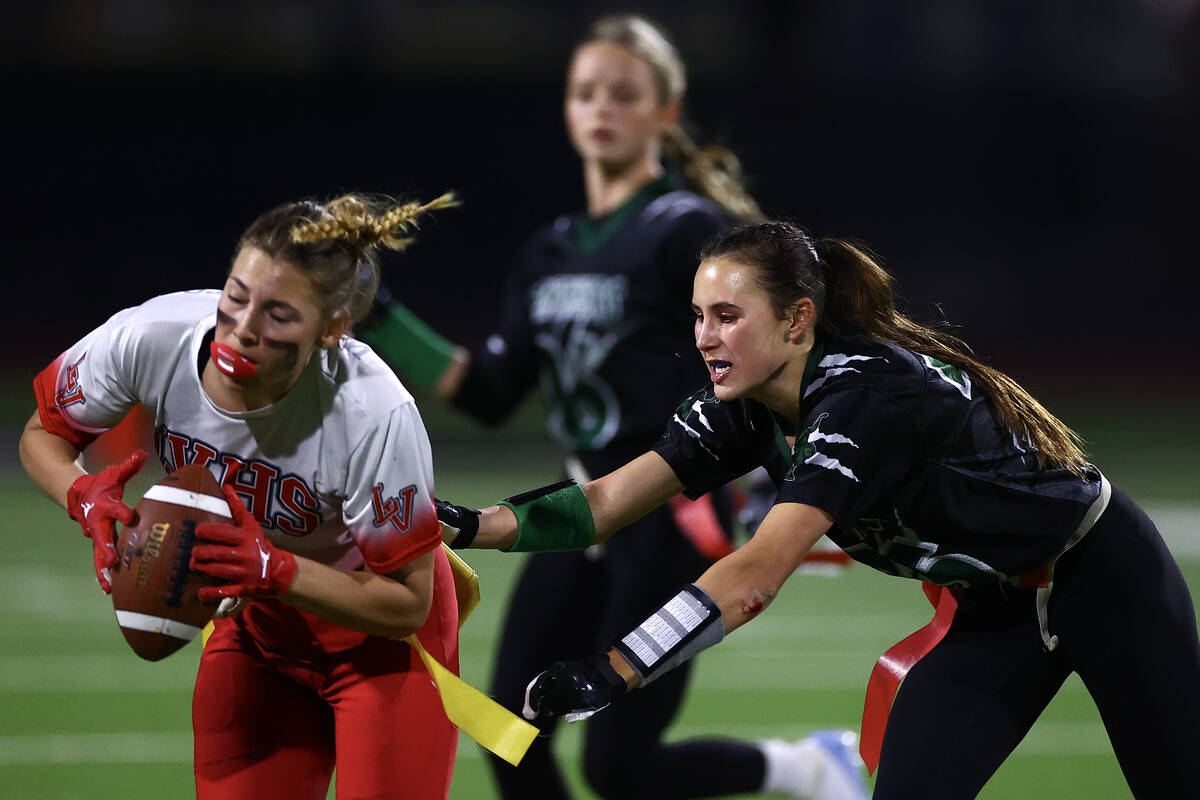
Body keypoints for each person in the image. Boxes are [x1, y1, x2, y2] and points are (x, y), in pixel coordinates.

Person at [437, 219, 1200, 798]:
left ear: (797, 320)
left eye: (728, 317)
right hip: (994, 610)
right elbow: (604, 500)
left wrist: (616, 668)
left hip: (1102, 577)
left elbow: (758, 572)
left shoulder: (863, 395)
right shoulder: (745, 399)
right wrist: (473, 524)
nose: (705, 337)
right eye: (699, 316)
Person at [356, 14, 864, 800]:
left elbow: (758, 358)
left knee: (616, 768)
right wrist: (377, 312)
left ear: (667, 110)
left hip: (667, 507)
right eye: (585, 92)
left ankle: (807, 769)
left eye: (624, 94)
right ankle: (805, 767)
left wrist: (772, 472)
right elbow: (491, 394)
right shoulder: (551, 247)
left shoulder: (687, 229)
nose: (601, 108)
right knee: (505, 728)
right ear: (566, 109)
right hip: (579, 506)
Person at [19, 193, 464, 799]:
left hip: (378, 646)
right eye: (236, 295)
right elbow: (45, 432)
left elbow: (408, 602)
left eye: (279, 314)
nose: (244, 328)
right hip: (254, 626)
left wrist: (276, 567)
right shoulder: (153, 337)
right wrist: (83, 496)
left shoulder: (373, 411)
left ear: (332, 329)